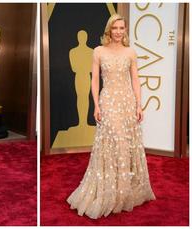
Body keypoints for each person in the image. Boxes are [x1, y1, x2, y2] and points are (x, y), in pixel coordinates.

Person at [66, 14, 156, 219]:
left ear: (125, 30)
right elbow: (95, 80)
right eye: (115, 28)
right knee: (114, 142)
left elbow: (135, 79)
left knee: (126, 143)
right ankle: (111, 188)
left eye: (121, 28)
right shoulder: (99, 51)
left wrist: (138, 105)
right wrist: (96, 105)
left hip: (127, 102)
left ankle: (124, 189)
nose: (118, 32)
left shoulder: (130, 52)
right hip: (108, 102)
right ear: (109, 29)